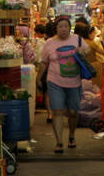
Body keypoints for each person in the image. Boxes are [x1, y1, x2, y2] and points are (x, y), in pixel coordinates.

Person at [37, 14, 86, 153]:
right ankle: (59, 141)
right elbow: (44, 62)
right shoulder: (50, 43)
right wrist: (39, 78)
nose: (63, 29)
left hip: (74, 82)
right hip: (54, 81)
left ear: (70, 28)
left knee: (73, 112)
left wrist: (82, 52)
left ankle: (71, 135)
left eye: (66, 26)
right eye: (60, 26)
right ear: (56, 28)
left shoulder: (78, 40)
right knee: (57, 111)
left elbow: (86, 54)